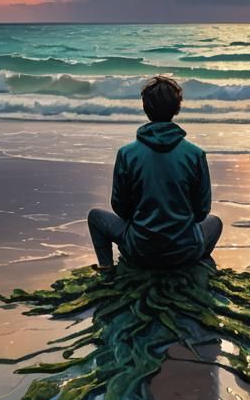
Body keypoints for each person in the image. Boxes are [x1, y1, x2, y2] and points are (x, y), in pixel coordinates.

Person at [88, 75, 222, 276]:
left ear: (145, 108)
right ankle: (195, 263)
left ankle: (107, 270)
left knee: (95, 217)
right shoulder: (195, 154)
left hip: (139, 251)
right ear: (177, 108)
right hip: (184, 251)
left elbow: (120, 208)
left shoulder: (127, 154)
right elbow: (202, 212)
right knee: (216, 222)